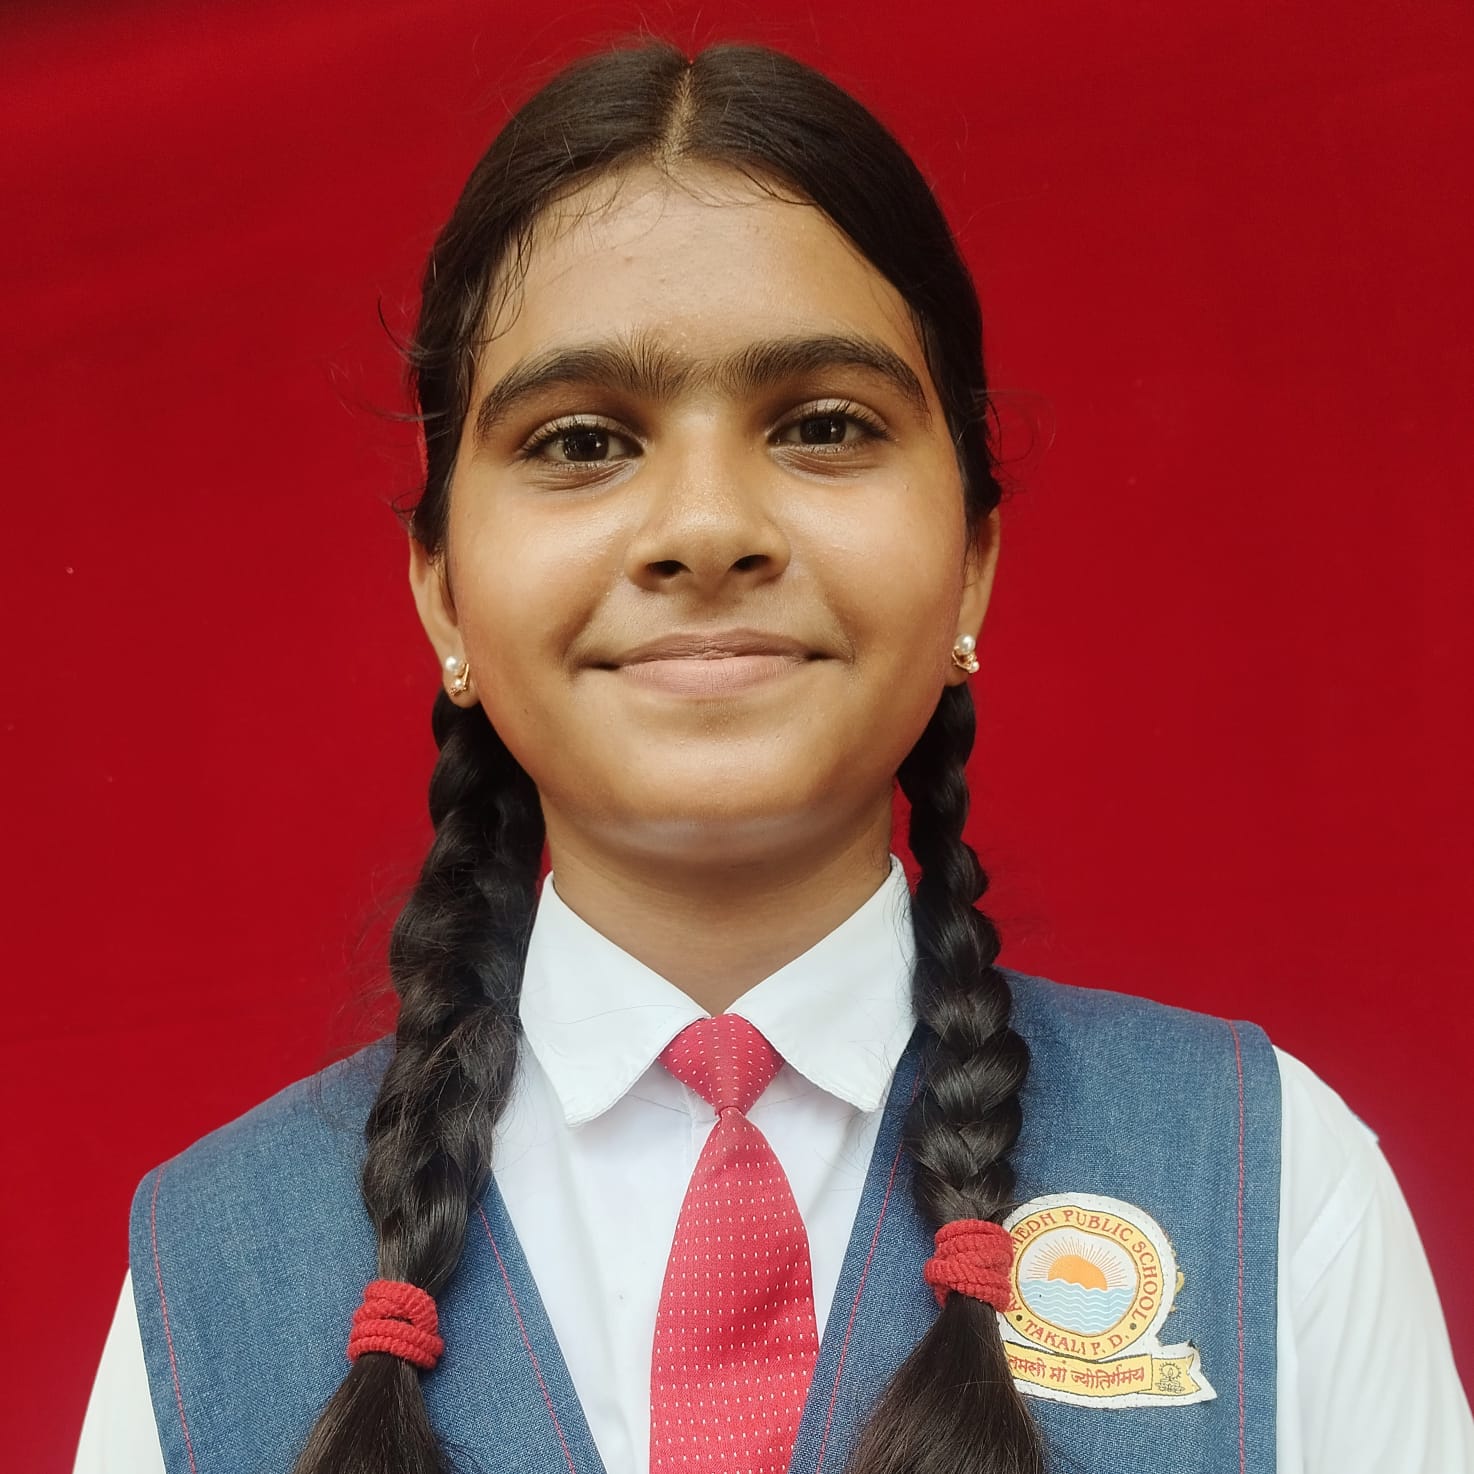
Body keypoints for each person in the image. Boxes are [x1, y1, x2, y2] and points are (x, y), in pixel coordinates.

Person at [74, 36, 1472, 1474]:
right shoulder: (209, 1283)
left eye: (822, 425)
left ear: (972, 561)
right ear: (442, 591)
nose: (705, 528)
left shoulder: (1266, 1183)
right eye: (580, 441)